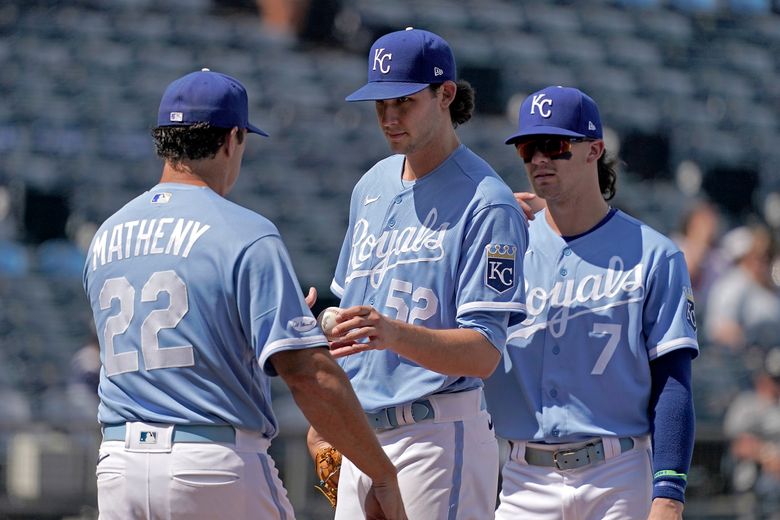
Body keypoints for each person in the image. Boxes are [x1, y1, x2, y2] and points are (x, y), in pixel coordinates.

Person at [82, 68, 405, 520]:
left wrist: (267, 328)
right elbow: (309, 376)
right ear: (233, 138)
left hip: (119, 466)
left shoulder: (107, 236)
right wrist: (382, 474)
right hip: (211, 465)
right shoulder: (245, 232)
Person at [306, 28, 528, 519]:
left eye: (403, 101)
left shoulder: (486, 202)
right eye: (380, 103)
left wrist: (391, 333)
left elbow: (485, 354)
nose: (389, 116)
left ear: (445, 94)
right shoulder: (370, 185)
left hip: (437, 432)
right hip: (361, 428)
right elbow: (347, 321)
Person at [487, 86, 698, 520]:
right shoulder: (501, 247)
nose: (539, 159)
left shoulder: (654, 254)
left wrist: (669, 492)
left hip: (617, 474)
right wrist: (484, 220)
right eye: (528, 148)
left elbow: (673, 380)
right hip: (525, 477)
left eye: (555, 145)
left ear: (594, 150)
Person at [723, 347, 780, 519]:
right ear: (762, 377)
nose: (776, 384)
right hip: (755, 476)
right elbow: (739, 445)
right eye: (775, 379)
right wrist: (768, 456)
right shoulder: (746, 403)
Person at [705, 223, 780, 352]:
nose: (763, 262)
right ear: (747, 256)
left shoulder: (773, 285)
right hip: (740, 361)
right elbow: (719, 330)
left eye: (769, 256)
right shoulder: (732, 285)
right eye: (759, 256)